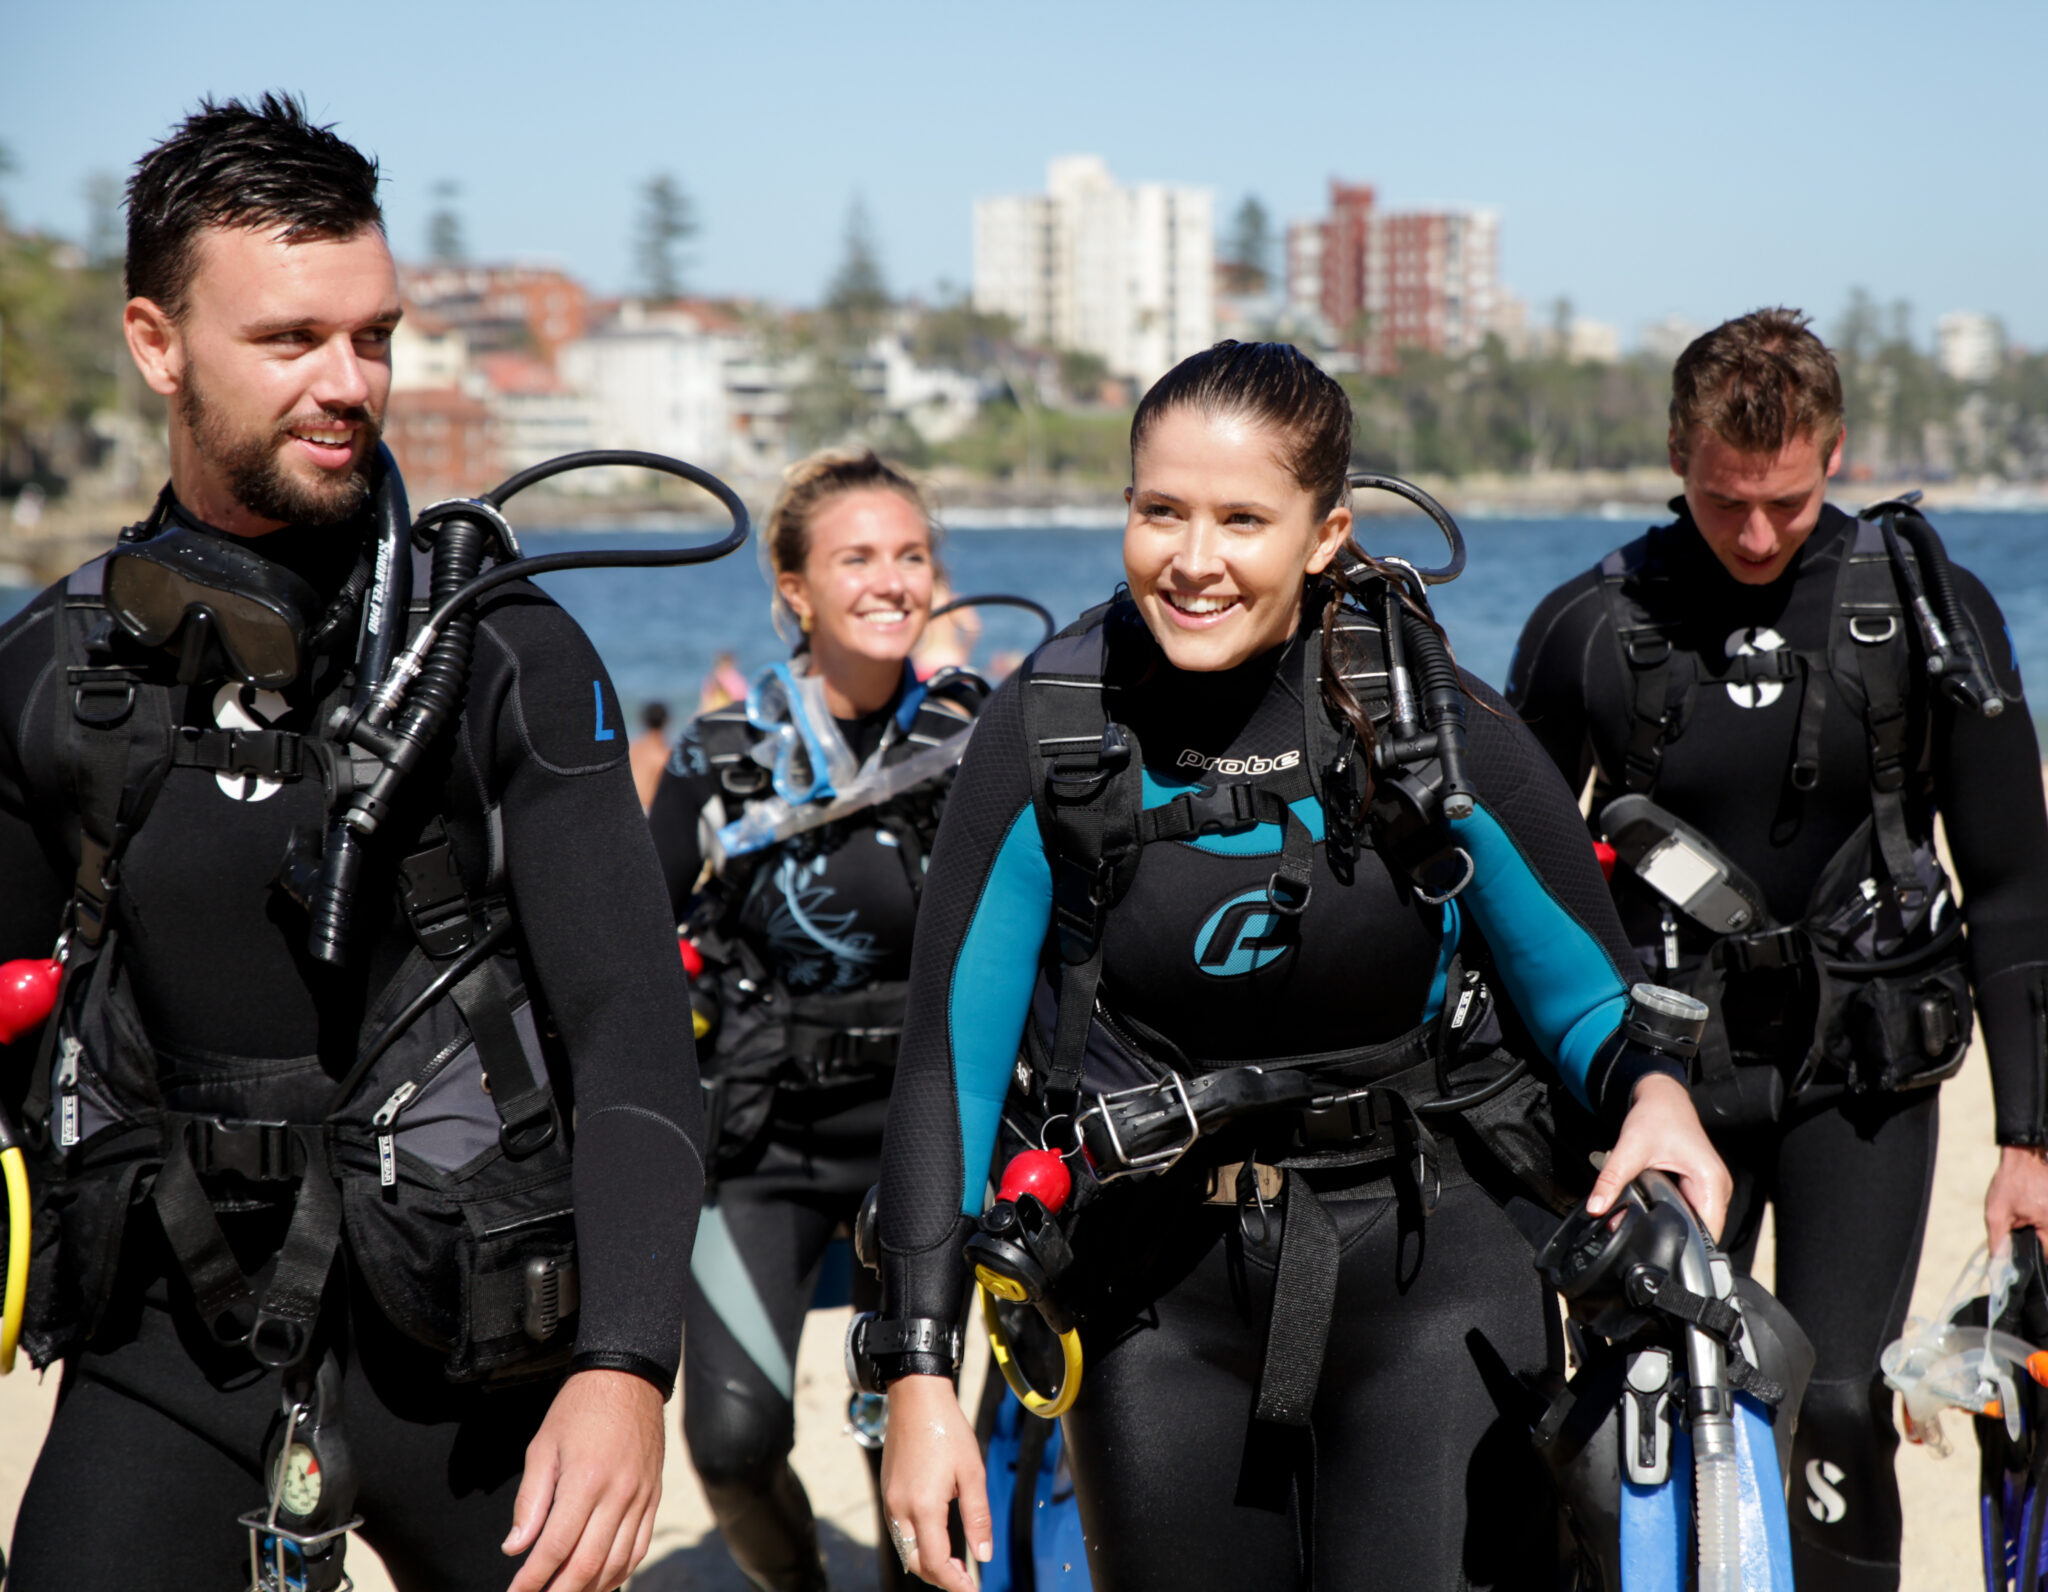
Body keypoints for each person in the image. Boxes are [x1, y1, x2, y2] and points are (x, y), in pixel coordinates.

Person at [865, 340, 1731, 1592]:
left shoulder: (1422, 716)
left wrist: (1655, 1097)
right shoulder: (1047, 727)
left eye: (1240, 518)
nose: (1193, 558)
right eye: (1160, 510)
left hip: (1432, 1272)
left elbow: (1586, 997)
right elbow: (945, 1070)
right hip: (1152, 1297)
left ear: (1323, 533)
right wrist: (917, 1374)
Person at [0, 96, 702, 1592]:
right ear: (156, 340)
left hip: (478, 1359)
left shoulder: (505, 653)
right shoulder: (59, 674)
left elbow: (634, 1026)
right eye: (292, 339)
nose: (348, 383)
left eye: (373, 337)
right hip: (171, 1345)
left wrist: (629, 1365)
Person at [1506, 307, 2048, 1592]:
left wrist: (2025, 1139)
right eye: (1720, 500)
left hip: (1855, 1077)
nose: (1752, 535)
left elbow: (2016, 887)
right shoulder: (1589, 625)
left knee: (1842, 1402)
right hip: (1658, 1074)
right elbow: (1512, 895)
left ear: (1838, 455)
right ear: (1677, 459)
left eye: (1787, 503)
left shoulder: (1924, 611)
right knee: (1649, 1398)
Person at [647, 450, 987, 1592]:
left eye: (911, 555)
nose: (892, 580)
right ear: (793, 587)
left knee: (909, 1441)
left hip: (926, 1138)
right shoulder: (718, 754)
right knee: (732, 1446)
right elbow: (636, 961)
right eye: (857, 557)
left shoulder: (981, 739)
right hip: (762, 1140)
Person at [631, 700, 672, 812]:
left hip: (629, 808)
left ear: (643, 721)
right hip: (650, 811)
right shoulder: (664, 754)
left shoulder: (631, 749)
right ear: (666, 721)